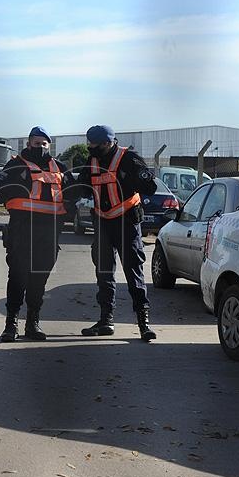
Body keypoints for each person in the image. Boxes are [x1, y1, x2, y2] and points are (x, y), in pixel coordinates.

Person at [0, 126, 77, 342]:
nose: (40, 146)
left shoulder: (59, 167)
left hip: (48, 234)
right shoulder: (16, 164)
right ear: (29, 143)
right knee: (18, 277)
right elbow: (0, 188)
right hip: (22, 230)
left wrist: (69, 209)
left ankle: (33, 322)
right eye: (36, 142)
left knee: (39, 281)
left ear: (49, 145)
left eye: (44, 143)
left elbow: (73, 193)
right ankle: (11, 324)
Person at [81, 125, 158, 341]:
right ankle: (106, 321)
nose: (90, 148)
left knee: (134, 273)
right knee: (104, 273)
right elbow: (82, 186)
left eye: (94, 145)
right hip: (102, 224)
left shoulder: (129, 158)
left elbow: (150, 186)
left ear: (108, 143)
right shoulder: (92, 161)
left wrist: (133, 179)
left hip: (126, 223)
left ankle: (143, 323)